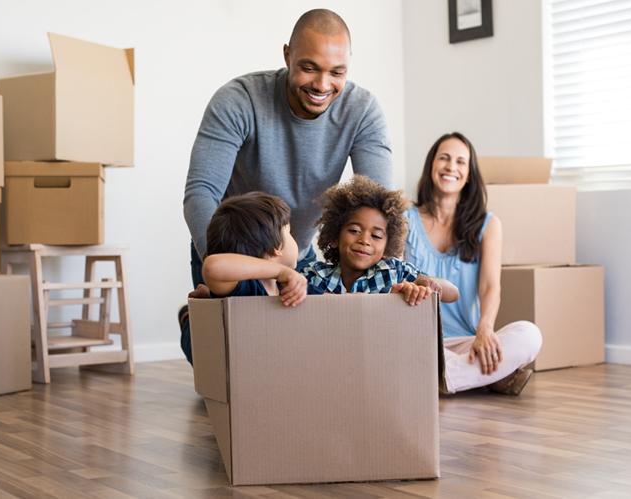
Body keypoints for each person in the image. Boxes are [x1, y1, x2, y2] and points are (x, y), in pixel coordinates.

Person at [183, 8, 392, 286]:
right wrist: (225, 266)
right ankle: (192, 322)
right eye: (309, 68)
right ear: (287, 55)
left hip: (297, 255)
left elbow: (380, 206)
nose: (322, 85)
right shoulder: (239, 100)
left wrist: (391, 276)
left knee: (301, 330)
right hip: (230, 254)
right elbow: (201, 192)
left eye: (337, 72)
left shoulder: (363, 112)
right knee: (213, 330)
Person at [404, 132, 542, 395]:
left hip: (466, 342)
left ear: (469, 174)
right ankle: (488, 377)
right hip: (416, 340)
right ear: (431, 165)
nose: (451, 167)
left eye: (460, 162)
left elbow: (490, 287)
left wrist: (486, 329)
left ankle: (444, 379)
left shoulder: (488, 226)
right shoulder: (404, 218)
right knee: (404, 350)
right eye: (444, 158)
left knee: (530, 334)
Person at [180, 192, 307, 364]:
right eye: (289, 232)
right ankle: (189, 317)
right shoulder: (245, 289)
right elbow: (212, 266)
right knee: (199, 343)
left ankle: (209, 297)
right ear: (277, 247)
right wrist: (280, 271)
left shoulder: (287, 287)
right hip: (224, 361)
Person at [301, 175, 459, 305]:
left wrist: (427, 283)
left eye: (376, 236)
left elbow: (453, 293)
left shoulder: (395, 272)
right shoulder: (316, 275)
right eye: (354, 230)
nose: (364, 240)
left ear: (387, 247)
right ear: (335, 236)